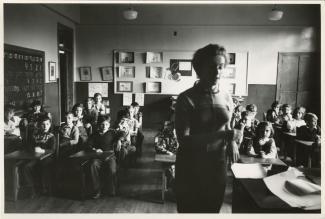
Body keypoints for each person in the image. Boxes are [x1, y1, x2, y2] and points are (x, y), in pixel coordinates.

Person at [175, 44, 242, 213]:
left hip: (217, 163)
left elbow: (228, 125)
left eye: (220, 67)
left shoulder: (227, 97)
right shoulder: (186, 98)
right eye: (212, 67)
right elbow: (183, 139)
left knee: (212, 210)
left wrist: (233, 141)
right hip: (191, 164)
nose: (217, 72)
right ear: (199, 69)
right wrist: (223, 135)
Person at [23, 116, 56, 195]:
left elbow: (52, 150)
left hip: (47, 157)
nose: (45, 126)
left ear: (50, 125)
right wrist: (32, 149)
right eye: (43, 124)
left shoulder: (51, 136)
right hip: (35, 157)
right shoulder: (35, 135)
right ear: (39, 125)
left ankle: (44, 188)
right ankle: (32, 187)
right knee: (27, 166)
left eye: (47, 124)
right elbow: (29, 146)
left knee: (43, 165)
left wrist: (43, 150)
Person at [87, 115, 118, 198]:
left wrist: (119, 140)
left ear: (109, 125)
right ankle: (97, 190)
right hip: (98, 157)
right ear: (98, 125)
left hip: (110, 156)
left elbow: (122, 133)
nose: (104, 127)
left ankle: (111, 189)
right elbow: (88, 145)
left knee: (112, 169)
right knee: (93, 165)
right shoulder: (94, 134)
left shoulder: (112, 132)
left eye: (107, 124)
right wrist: (94, 149)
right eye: (102, 124)